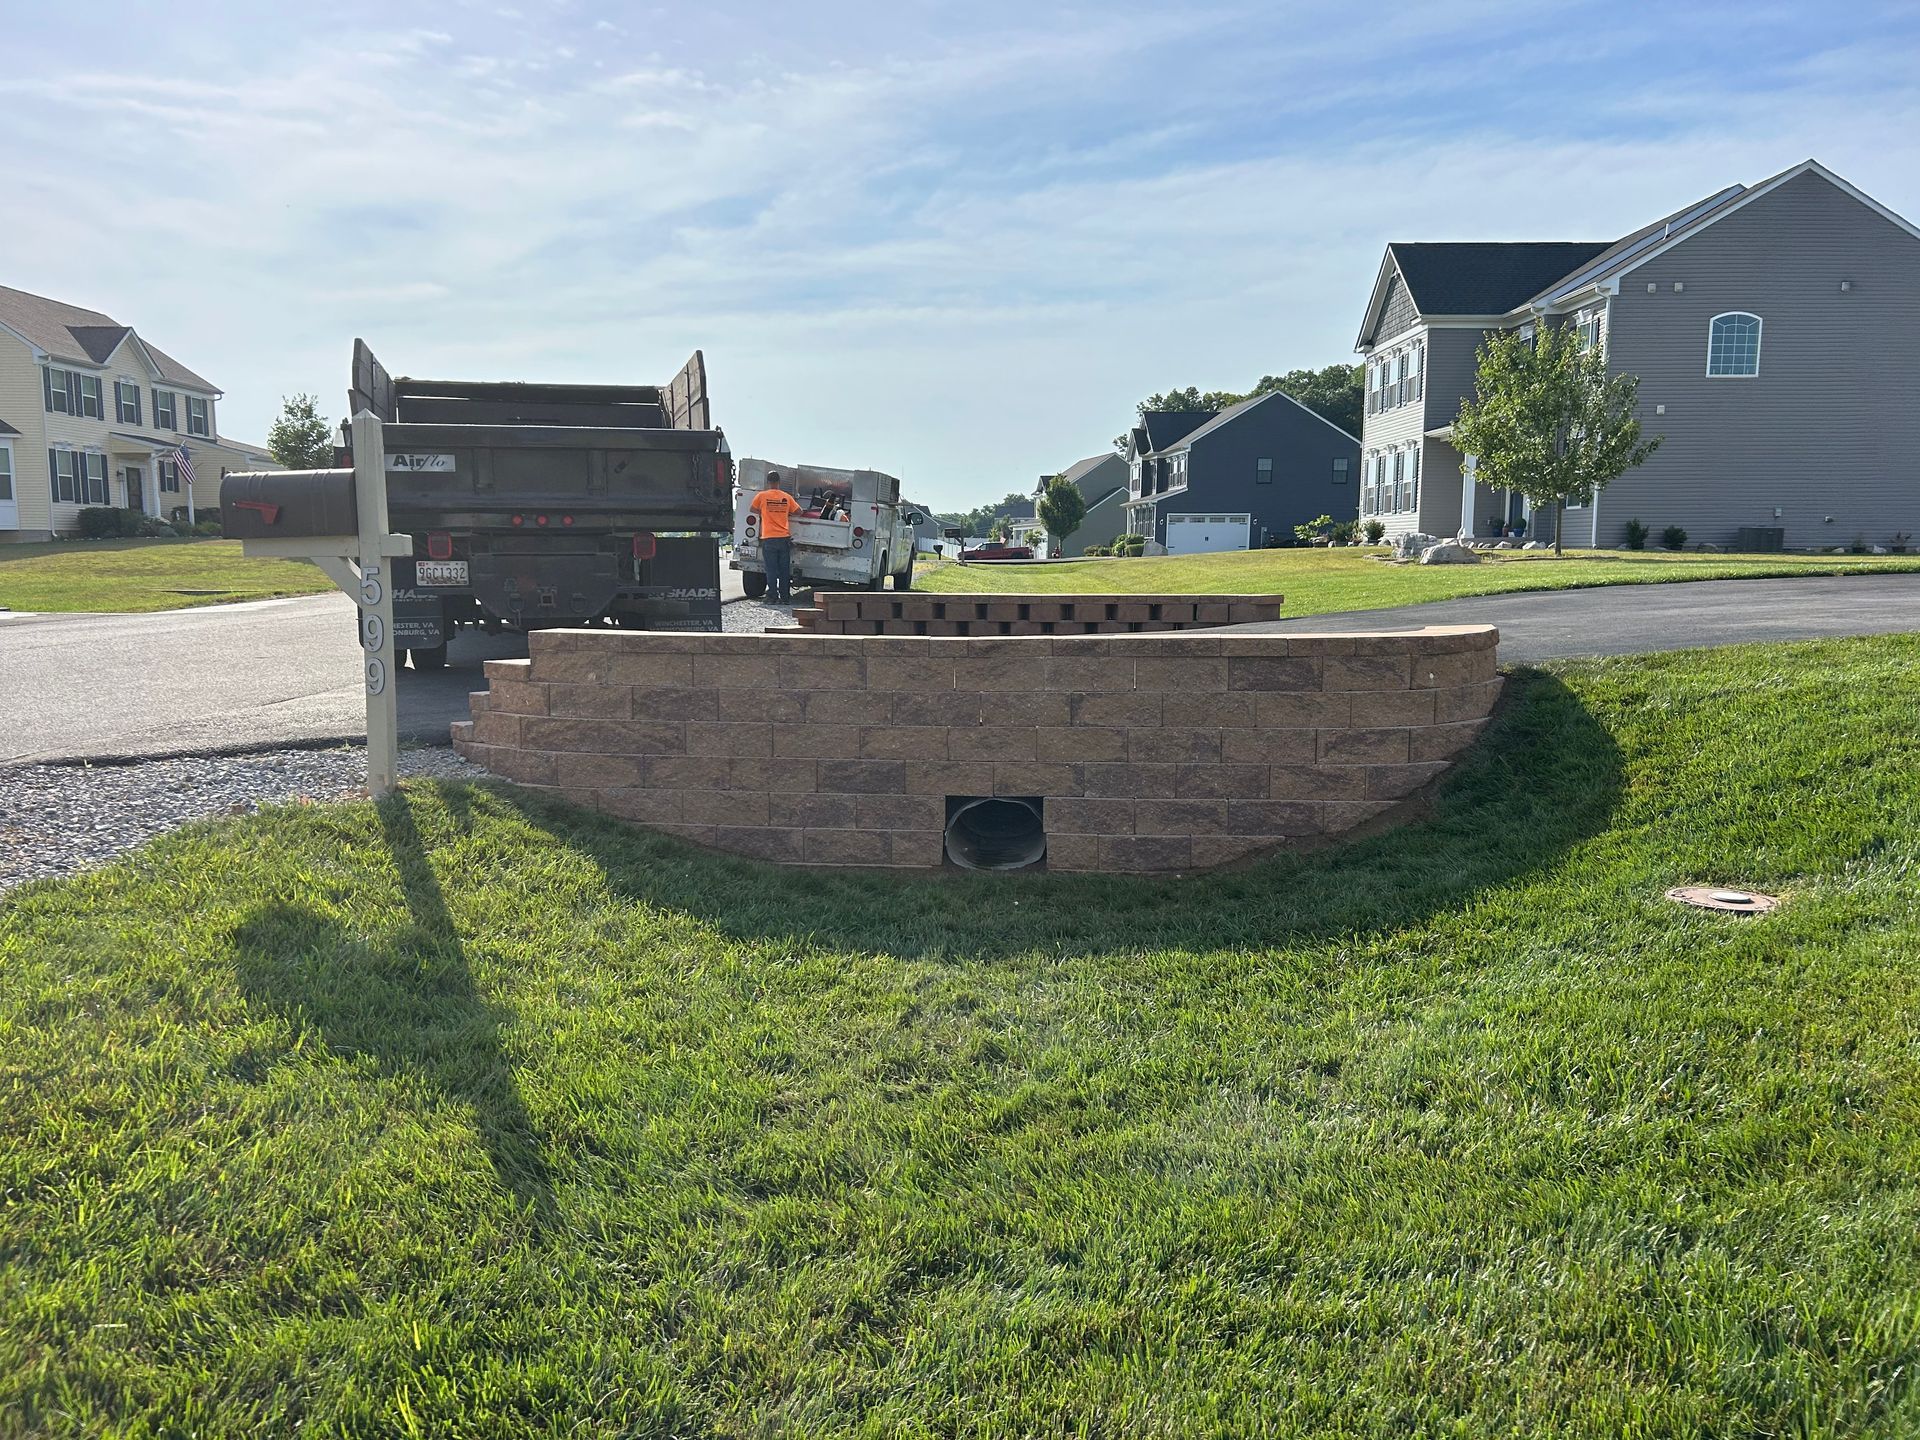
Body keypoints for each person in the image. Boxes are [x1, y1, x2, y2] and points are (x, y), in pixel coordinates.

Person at [749, 469, 800, 603]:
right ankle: (785, 597)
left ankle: (772, 596)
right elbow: (799, 511)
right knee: (784, 570)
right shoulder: (786, 497)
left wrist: (764, 512)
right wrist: (786, 512)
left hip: (769, 538)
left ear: (768, 482)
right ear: (779, 482)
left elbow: (752, 509)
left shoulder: (762, 496)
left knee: (771, 569)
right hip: (784, 538)